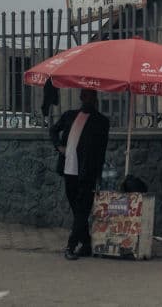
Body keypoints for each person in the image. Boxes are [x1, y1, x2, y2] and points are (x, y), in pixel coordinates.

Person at [49, 88, 110, 260]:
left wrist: (98, 175)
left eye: (92, 96)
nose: (88, 99)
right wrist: (58, 146)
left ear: (95, 98)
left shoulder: (101, 121)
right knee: (77, 210)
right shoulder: (69, 115)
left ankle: (71, 245)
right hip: (68, 170)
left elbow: (101, 151)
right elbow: (53, 130)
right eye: (86, 95)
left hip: (87, 173)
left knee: (82, 209)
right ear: (81, 97)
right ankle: (87, 243)